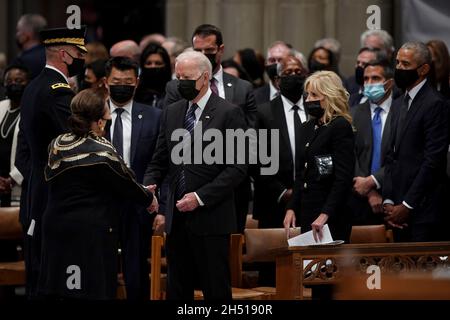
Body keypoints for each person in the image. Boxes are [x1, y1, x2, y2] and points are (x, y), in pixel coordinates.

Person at [143, 50, 247, 300]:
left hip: (211, 218)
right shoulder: (172, 111)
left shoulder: (228, 113)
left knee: (215, 289)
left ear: (205, 77)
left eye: (187, 77)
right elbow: (159, 158)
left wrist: (199, 197)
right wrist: (149, 184)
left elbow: (237, 168)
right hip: (177, 219)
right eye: (178, 77)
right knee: (178, 288)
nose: (182, 83)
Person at [37, 88, 155, 300]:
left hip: (56, 228)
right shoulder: (101, 150)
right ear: (100, 121)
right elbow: (126, 182)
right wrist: (149, 198)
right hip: (89, 231)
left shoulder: (56, 144)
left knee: (60, 291)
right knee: (91, 291)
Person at [165, 24, 256, 234]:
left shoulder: (242, 88)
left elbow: (250, 139)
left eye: (209, 51)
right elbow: (169, 139)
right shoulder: (176, 88)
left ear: (220, 50)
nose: (204, 55)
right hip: (186, 184)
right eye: (198, 51)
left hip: (231, 186)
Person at [18, 26, 87, 298]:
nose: (82, 57)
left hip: (37, 186)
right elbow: (72, 141)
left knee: (38, 268)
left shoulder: (34, 86)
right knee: (53, 272)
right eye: (79, 53)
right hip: (54, 191)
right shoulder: (58, 91)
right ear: (64, 54)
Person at [104, 56, 162, 300]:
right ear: (106, 81)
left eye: (127, 81)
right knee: (101, 268)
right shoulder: (93, 113)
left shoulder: (154, 116)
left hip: (138, 204)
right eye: (116, 80)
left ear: (136, 82)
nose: (122, 85)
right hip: (102, 203)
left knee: (136, 270)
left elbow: (160, 162)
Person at [383, 42, 449, 242]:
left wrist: (407, 205)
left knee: (421, 273)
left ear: (423, 69)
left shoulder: (436, 104)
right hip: (395, 209)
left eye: (405, 64)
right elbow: (390, 155)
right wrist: (389, 200)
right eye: (397, 63)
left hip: (423, 210)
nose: (399, 69)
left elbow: (433, 161)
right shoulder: (397, 103)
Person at [253, 55, 308, 286]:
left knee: (307, 270)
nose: (294, 77)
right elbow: (257, 159)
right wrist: (283, 192)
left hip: (310, 201)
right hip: (274, 202)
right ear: (277, 80)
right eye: (288, 73)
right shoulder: (264, 112)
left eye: (298, 72)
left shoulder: (316, 108)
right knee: (273, 275)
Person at [284, 71, 354, 243]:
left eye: (314, 95)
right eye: (307, 95)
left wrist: (325, 214)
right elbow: (301, 174)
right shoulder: (307, 127)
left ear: (329, 96)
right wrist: (292, 207)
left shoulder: (339, 126)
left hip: (331, 213)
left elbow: (343, 178)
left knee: (328, 267)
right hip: (308, 209)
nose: (308, 100)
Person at [350, 59, 395, 225]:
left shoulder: (402, 112)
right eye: (366, 79)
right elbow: (349, 154)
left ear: (389, 83)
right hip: (358, 199)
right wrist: (369, 191)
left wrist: (374, 180)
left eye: (375, 78)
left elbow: (403, 155)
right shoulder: (352, 114)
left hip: (395, 198)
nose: (369, 83)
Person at [0, 65, 30, 207]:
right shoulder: (1, 106)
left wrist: (12, 179)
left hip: (18, 182)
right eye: (9, 81)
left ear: (28, 83)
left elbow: (31, 150)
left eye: (18, 81)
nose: (13, 84)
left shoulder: (31, 112)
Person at [135, 43, 172, 109]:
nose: (153, 66)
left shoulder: (174, 93)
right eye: (148, 63)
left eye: (158, 63)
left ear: (166, 66)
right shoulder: (135, 93)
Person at [253, 41, 291, 105]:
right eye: (272, 60)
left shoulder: (301, 95)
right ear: (266, 63)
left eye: (280, 60)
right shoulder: (254, 97)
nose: (276, 63)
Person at [12, 14, 47, 79]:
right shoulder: (50, 55)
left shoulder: (21, 62)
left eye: (18, 30)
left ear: (28, 33)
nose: (17, 34)